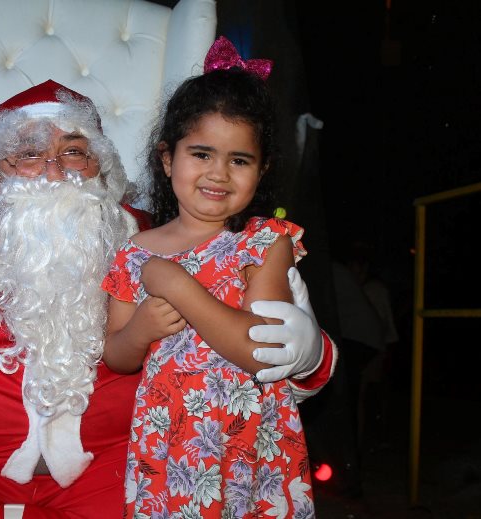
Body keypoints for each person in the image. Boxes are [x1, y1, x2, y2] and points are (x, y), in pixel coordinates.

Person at [0, 79, 336, 517]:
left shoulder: (159, 241)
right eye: (29, 153)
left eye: (74, 152)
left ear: (101, 170)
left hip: (114, 458)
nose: (54, 169)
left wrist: (309, 355)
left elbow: (255, 346)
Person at [102, 36, 323, 517]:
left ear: (260, 171)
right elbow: (116, 354)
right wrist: (140, 330)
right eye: (201, 154)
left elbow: (259, 349)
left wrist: (181, 287)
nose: (218, 173)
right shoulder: (132, 253)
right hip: (168, 443)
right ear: (167, 159)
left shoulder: (265, 242)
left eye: (239, 160)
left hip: (250, 441)